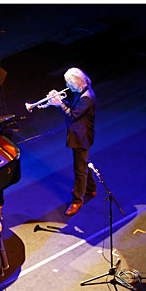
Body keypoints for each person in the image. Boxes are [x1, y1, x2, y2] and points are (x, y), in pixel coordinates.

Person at [47, 67, 97, 216]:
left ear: (76, 82)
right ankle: (90, 188)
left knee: (79, 170)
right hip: (78, 135)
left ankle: (77, 200)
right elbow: (72, 106)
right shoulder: (80, 92)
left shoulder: (86, 97)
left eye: (69, 83)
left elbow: (72, 115)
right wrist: (61, 99)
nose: (67, 86)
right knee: (83, 164)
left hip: (82, 138)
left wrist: (58, 104)